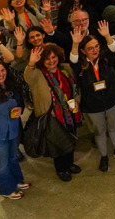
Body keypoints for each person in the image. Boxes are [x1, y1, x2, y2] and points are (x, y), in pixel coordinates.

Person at [70, 23, 115, 172]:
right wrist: (75, 43)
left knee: (113, 127)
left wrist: (107, 36)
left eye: (96, 46)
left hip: (111, 101)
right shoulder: (80, 67)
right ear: (83, 51)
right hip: (92, 107)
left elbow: (113, 48)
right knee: (99, 131)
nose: (95, 50)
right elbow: (72, 59)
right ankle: (104, 156)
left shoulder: (105, 60)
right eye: (90, 48)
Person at [24, 43, 81, 181]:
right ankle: (61, 169)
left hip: (69, 113)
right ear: (42, 61)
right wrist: (31, 62)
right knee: (58, 145)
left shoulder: (65, 69)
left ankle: (69, 163)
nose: (51, 61)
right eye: (47, 59)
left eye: (53, 57)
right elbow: (28, 76)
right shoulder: (38, 74)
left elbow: (75, 87)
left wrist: (76, 101)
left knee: (71, 138)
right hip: (51, 116)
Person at [0, 59, 30, 199]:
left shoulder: (12, 86)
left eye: (2, 70)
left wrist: (20, 108)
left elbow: (20, 101)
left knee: (13, 158)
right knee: (1, 163)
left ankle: (16, 181)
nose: (0, 74)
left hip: (13, 131)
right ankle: (6, 189)